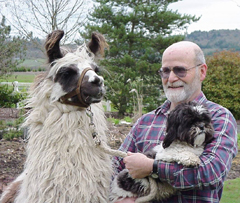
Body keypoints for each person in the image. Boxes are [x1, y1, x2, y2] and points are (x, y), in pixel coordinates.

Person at [113, 41, 238, 203]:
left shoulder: (219, 117)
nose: (171, 78)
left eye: (180, 70)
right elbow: (115, 166)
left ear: (202, 71)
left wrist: (152, 168)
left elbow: (211, 172)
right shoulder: (146, 121)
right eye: (165, 71)